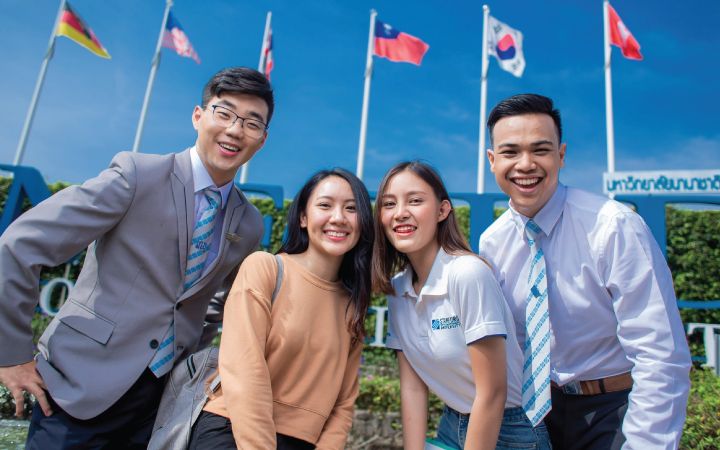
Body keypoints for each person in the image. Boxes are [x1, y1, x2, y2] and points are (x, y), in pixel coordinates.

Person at [0, 66, 272, 448]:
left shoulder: (248, 223)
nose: (234, 130)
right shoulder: (137, 175)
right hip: (78, 385)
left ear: (262, 139)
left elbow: (214, 304)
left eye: (251, 123)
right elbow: (21, 243)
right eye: (223, 113)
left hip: (157, 405)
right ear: (198, 116)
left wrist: (191, 364)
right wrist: (10, 355)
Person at [479, 93, 691, 449]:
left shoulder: (614, 227)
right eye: (510, 152)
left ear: (561, 155)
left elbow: (660, 353)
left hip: (612, 409)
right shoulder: (492, 243)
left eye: (541, 150)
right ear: (492, 160)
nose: (525, 164)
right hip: (534, 414)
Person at [189, 168, 374, 449]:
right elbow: (243, 368)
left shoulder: (354, 304)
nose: (338, 217)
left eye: (351, 208)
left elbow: (343, 403)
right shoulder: (265, 268)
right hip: (233, 429)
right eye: (325, 205)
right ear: (303, 217)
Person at [372, 161, 551, 450]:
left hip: (510, 429)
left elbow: (492, 393)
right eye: (389, 204)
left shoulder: (467, 273)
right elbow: (413, 388)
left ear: (443, 210)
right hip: (451, 423)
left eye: (415, 201)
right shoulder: (397, 289)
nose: (400, 213)